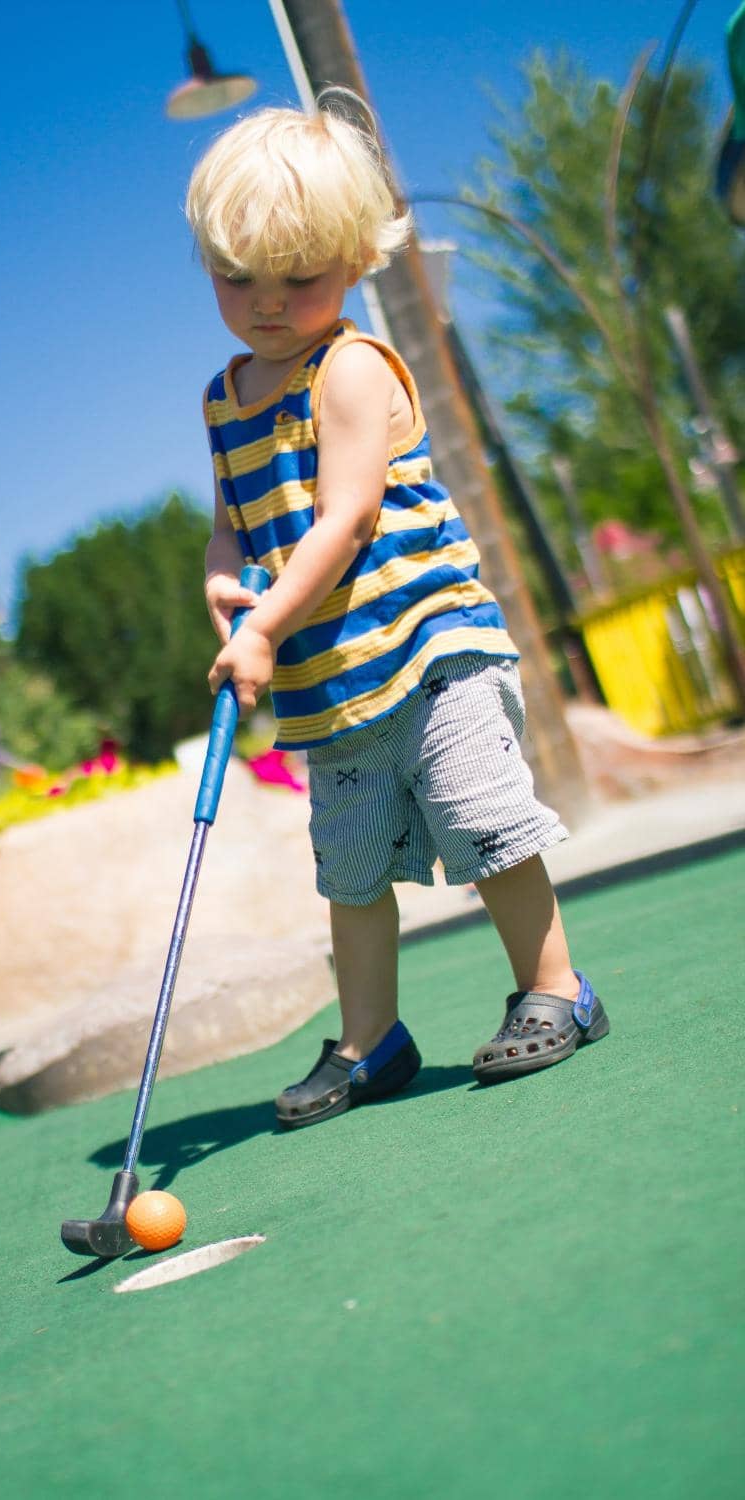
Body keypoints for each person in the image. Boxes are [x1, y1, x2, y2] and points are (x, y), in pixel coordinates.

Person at [185, 98, 609, 1129]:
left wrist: (264, 625)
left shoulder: (355, 368)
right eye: (239, 278)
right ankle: (370, 1040)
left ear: (356, 260)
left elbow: (344, 517)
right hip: (329, 680)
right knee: (351, 872)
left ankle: (556, 988)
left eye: (300, 277)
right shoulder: (223, 396)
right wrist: (222, 585)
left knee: (483, 823)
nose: (268, 305)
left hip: (428, 650)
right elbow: (232, 523)